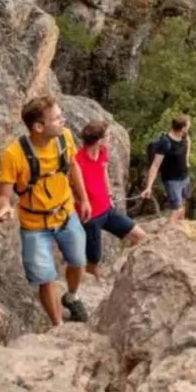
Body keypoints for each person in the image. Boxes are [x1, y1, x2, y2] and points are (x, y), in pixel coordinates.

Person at [0, 95, 92, 326]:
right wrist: (4, 207)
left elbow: (73, 166)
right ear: (38, 127)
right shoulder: (14, 155)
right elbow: (3, 195)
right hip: (35, 224)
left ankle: (72, 296)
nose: (62, 121)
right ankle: (58, 325)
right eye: (56, 118)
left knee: (78, 261)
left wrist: (83, 199)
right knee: (46, 278)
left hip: (66, 213)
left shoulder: (64, 138)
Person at [73, 118, 147, 275]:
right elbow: (69, 188)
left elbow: (103, 170)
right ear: (99, 140)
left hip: (107, 210)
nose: (110, 139)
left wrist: (109, 193)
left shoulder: (102, 152)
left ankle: (130, 273)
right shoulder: (77, 162)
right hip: (90, 218)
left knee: (141, 237)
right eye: (108, 136)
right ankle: (92, 285)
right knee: (93, 262)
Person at [139, 114, 191, 222]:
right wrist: (149, 187)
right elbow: (155, 165)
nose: (189, 127)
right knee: (176, 209)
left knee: (183, 205)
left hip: (184, 177)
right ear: (183, 128)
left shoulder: (184, 137)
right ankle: (169, 230)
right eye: (188, 125)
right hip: (172, 181)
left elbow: (187, 144)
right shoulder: (165, 143)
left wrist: (187, 160)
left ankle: (180, 228)